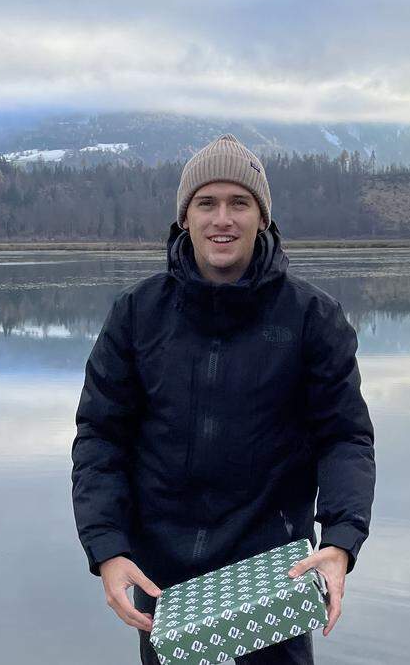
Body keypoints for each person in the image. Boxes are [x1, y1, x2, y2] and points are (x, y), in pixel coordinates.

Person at [71, 134, 377, 664]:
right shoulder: (137, 315)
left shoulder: (312, 318)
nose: (223, 219)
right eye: (206, 203)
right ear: (184, 218)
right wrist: (107, 548)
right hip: (166, 584)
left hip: (275, 576)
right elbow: (101, 437)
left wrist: (342, 540)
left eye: (240, 203)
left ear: (263, 218)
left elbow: (344, 437)